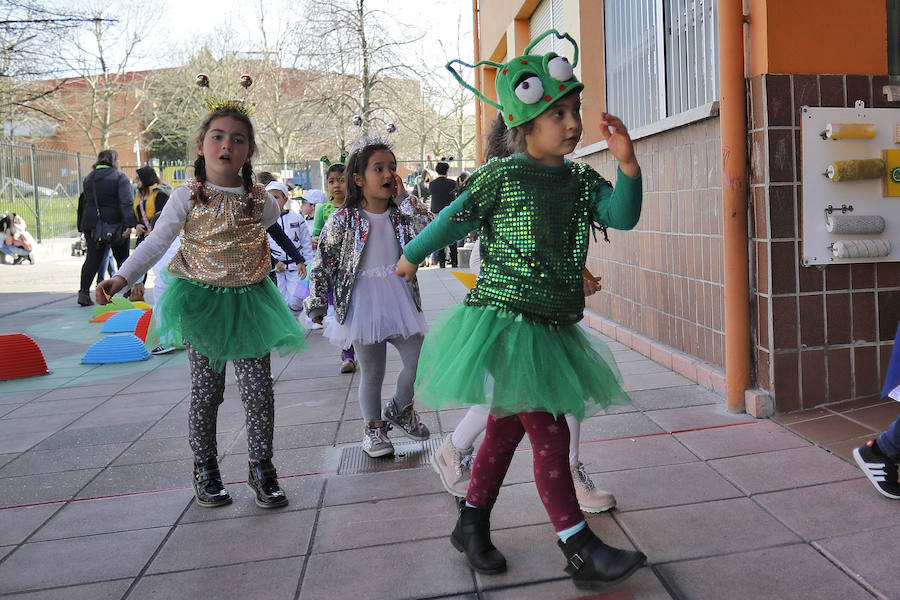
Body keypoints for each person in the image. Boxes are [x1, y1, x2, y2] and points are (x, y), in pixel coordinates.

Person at [395, 30, 646, 589]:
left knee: (506, 429)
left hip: (553, 323)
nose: (573, 122)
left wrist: (628, 167)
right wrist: (411, 256)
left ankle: (471, 522)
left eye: (575, 110)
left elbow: (622, 216)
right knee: (551, 432)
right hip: (506, 321)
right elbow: (452, 218)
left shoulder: (581, 180)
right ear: (523, 124)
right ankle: (578, 546)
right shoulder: (501, 176)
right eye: (558, 113)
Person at [95, 105, 308, 509]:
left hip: (251, 305)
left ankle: (262, 467)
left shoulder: (261, 201)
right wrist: (122, 277)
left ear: (249, 152)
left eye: (238, 139)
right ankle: (205, 468)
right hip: (202, 305)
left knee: (259, 392)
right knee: (207, 392)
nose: (227, 144)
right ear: (201, 145)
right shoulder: (187, 197)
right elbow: (156, 242)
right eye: (218, 136)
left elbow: (261, 227)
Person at [306, 138, 432, 458]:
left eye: (392, 168)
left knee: (420, 357)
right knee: (372, 372)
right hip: (363, 302)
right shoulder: (342, 219)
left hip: (400, 297)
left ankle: (400, 407)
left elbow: (430, 228)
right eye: (379, 169)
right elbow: (324, 262)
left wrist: (406, 198)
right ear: (359, 179)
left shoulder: (401, 212)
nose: (389, 174)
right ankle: (373, 429)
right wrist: (318, 300)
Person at [310, 164, 357, 373]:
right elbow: (316, 235)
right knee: (341, 311)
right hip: (334, 270)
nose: (336, 185)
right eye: (331, 181)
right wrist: (317, 240)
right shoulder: (323, 209)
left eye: (341, 180)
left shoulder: (358, 208)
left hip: (356, 269)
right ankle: (348, 354)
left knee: (356, 311)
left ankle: (358, 347)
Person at [76, 149, 136, 307]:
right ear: (114, 160)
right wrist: (130, 224)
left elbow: (85, 201)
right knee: (122, 258)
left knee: (92, 259)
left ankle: (83, 293)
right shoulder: (119, 177)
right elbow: (126, 202)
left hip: (93, 225)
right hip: (116, 224)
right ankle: (129, 292)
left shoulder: (89, 178)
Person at [129, 166, 171, 302]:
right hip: (143, 235)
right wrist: (137, 225)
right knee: (139, 263)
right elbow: (134, 213)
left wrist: (153, 230)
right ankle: (136, 294)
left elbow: (163, 215)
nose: (136, 181)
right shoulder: (139, 194)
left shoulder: (160, 193)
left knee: (156, 264)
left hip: (156, 235)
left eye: (138, 178)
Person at [266, 179, 311, 304]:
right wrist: (274, 262)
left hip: (295, 267)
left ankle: (292, 319)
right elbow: (262, 245)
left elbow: (305, 242)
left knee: (296, 300)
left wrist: (306, 262)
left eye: (276, 197)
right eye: (269, 197)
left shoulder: (297, 218)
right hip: (276, 269)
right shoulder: (265, 220)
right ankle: (287, 322)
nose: (273, 201)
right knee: (280, 301)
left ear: (285, 199)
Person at [428, 161, 458, 268]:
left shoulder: (432, 184)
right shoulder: (452, 183)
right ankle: (454, 260)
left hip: (436, 213)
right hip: (450, 212)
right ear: (447, 171)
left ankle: (441, 262)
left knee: (439, 237)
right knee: (452, 236)